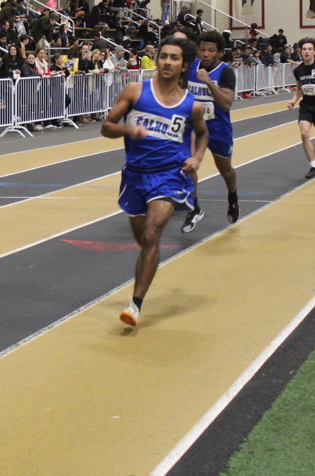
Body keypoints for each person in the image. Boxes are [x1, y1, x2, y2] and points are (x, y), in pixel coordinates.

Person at [101, 36, 207, 327]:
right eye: (163, 56)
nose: (167, 62)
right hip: (135, 175)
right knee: (146, 242)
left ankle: (134, 305)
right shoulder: (136, 91)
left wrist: (197, 157)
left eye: (174, 58)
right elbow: (106, 127)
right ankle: (150, 264)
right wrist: (129, 131)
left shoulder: (192, 106)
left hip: (170, 175)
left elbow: (203, 133)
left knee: (151, 234)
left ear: (183, 65)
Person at [182, 30, 239, 232]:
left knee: (225, 170)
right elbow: (182, 91)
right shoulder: (191, 67)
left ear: (220, 53)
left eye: (211, 50)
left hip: (217, 128)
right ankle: (194, 208)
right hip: (194, 127)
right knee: (188, 165)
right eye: (203, 49)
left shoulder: (225, 72)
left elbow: (226, 103)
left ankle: (232, 195)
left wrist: (208, 82)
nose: (206, 54)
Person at [286, 37, 315, 179]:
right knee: (304, 133)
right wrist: (293, 101)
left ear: (314, 51)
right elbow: (299, 89)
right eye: (304, 49)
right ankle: (313, 167)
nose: (306, 52)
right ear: (300, 51)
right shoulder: (298, 70)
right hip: (306, 106)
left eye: (310, 49)